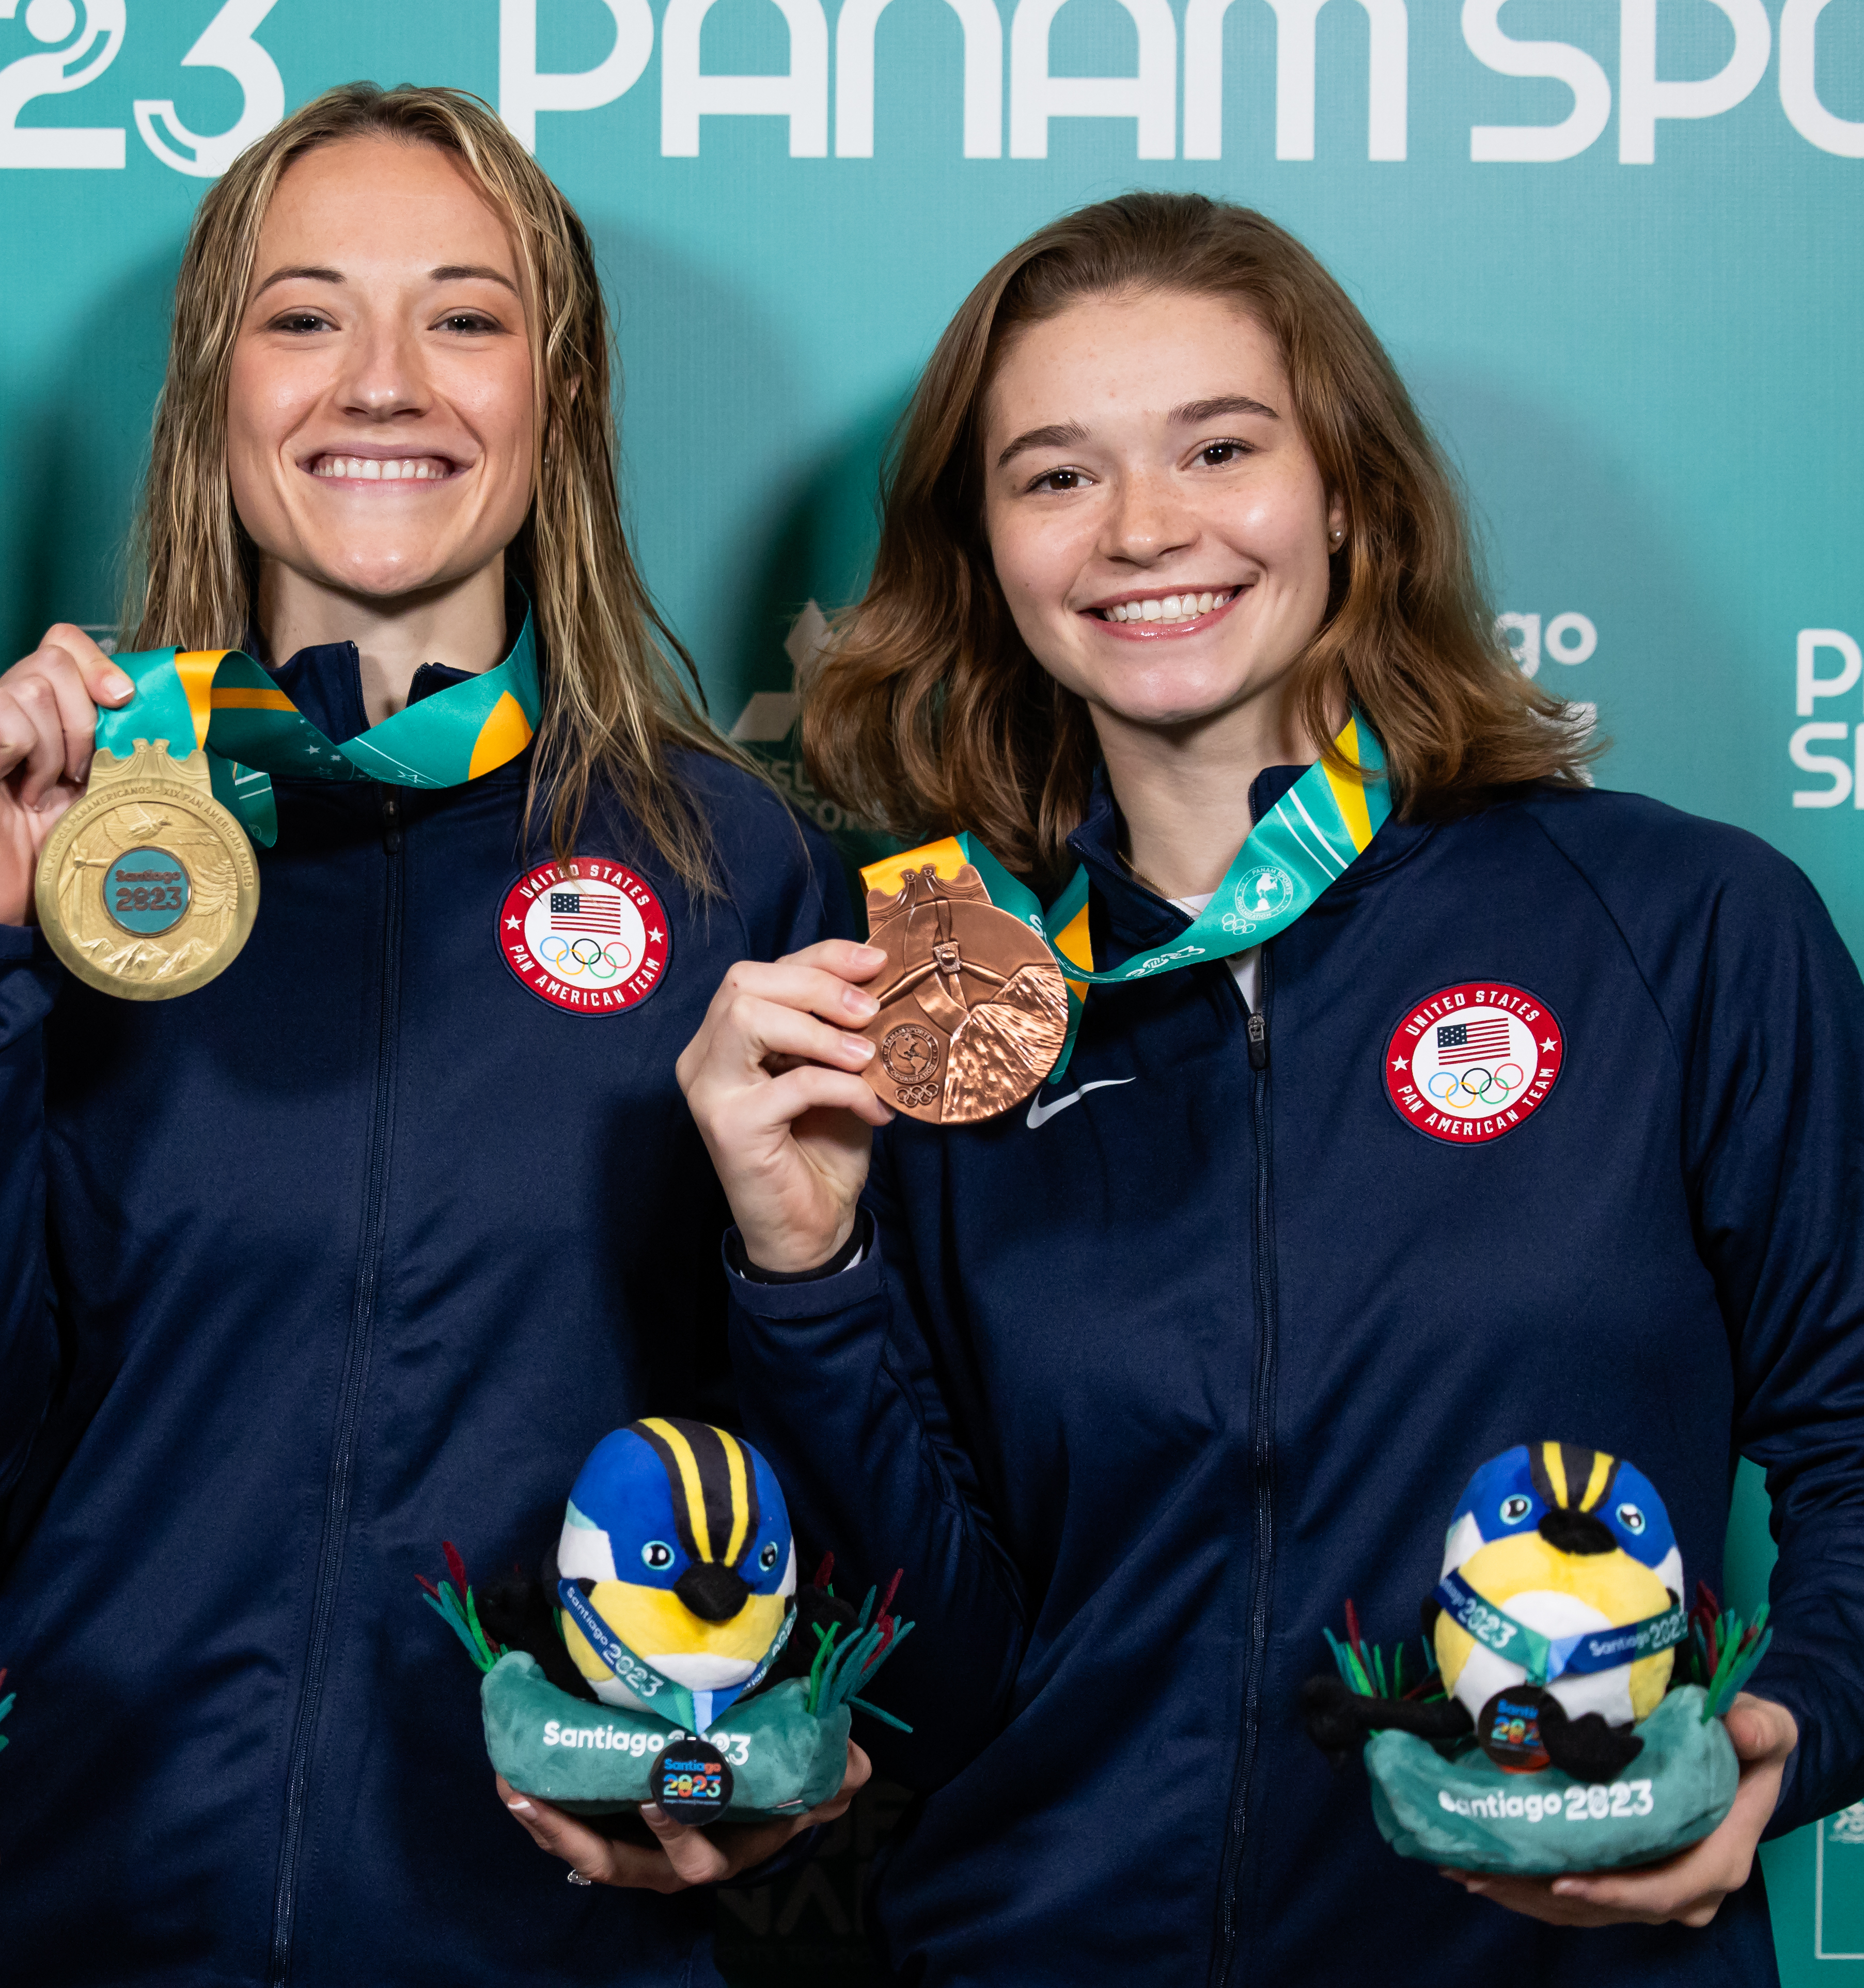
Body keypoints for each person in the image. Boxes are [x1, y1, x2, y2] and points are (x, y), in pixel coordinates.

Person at [672, 192, 1864, 1982]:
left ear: (1352, 499)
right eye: (1055, 475)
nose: (1145, 529)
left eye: (1219, 447)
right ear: (983, 549)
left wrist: (1797, 1723)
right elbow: (957, 1664)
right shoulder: (916, 1002)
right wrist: (803, 1267)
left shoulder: (1682, 930)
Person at [0, 82, 867, 1985]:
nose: (383, 381)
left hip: (551, 1940)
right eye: (307, 316)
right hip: (76, 1921)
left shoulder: (741, 873)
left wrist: (782, 1761)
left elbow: (842, 1470)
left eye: (464, 317)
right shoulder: (41, 843)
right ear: (215, 389)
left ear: (564, 400)